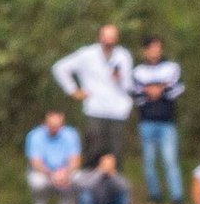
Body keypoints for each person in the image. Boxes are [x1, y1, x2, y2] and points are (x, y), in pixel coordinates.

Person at [51, 24, 136, 165]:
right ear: (99, 37)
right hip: (95, 109)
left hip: (118, 111)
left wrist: (120, 78)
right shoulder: (87, 54)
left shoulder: (123, 55)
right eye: (106, 37)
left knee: (116, 153)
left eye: (112, 37)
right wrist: (72, 90)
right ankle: (89, 184)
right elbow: (60, 68)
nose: (109, 41)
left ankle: (113, 186)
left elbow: (129, 86)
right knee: (94, 150)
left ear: (117, 39)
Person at [131, 36, 185, 204]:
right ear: (144, 51)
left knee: (170, 159)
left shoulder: (172, 67)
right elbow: (135, 92)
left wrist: (160, 90)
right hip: (146, 120)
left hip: (167, 121)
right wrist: (150, 91)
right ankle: (154, 196)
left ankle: (177, 196)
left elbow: (178, 87)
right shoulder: (137, 71)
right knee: (149, 161)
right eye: (151, 48)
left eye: (157, 47)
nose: (155, 51)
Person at [24, 110, 83, 204]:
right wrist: (52, 174)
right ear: (45, 124)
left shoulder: (71, 134)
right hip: (44, 171)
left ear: (62, 125)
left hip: (65, 171)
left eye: (58, 126)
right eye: (51, 125)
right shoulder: (35, 136)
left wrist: (66, 173)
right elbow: (35, 163)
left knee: (78, 178)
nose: (54, 128)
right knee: (37, 181)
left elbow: (75, 161)